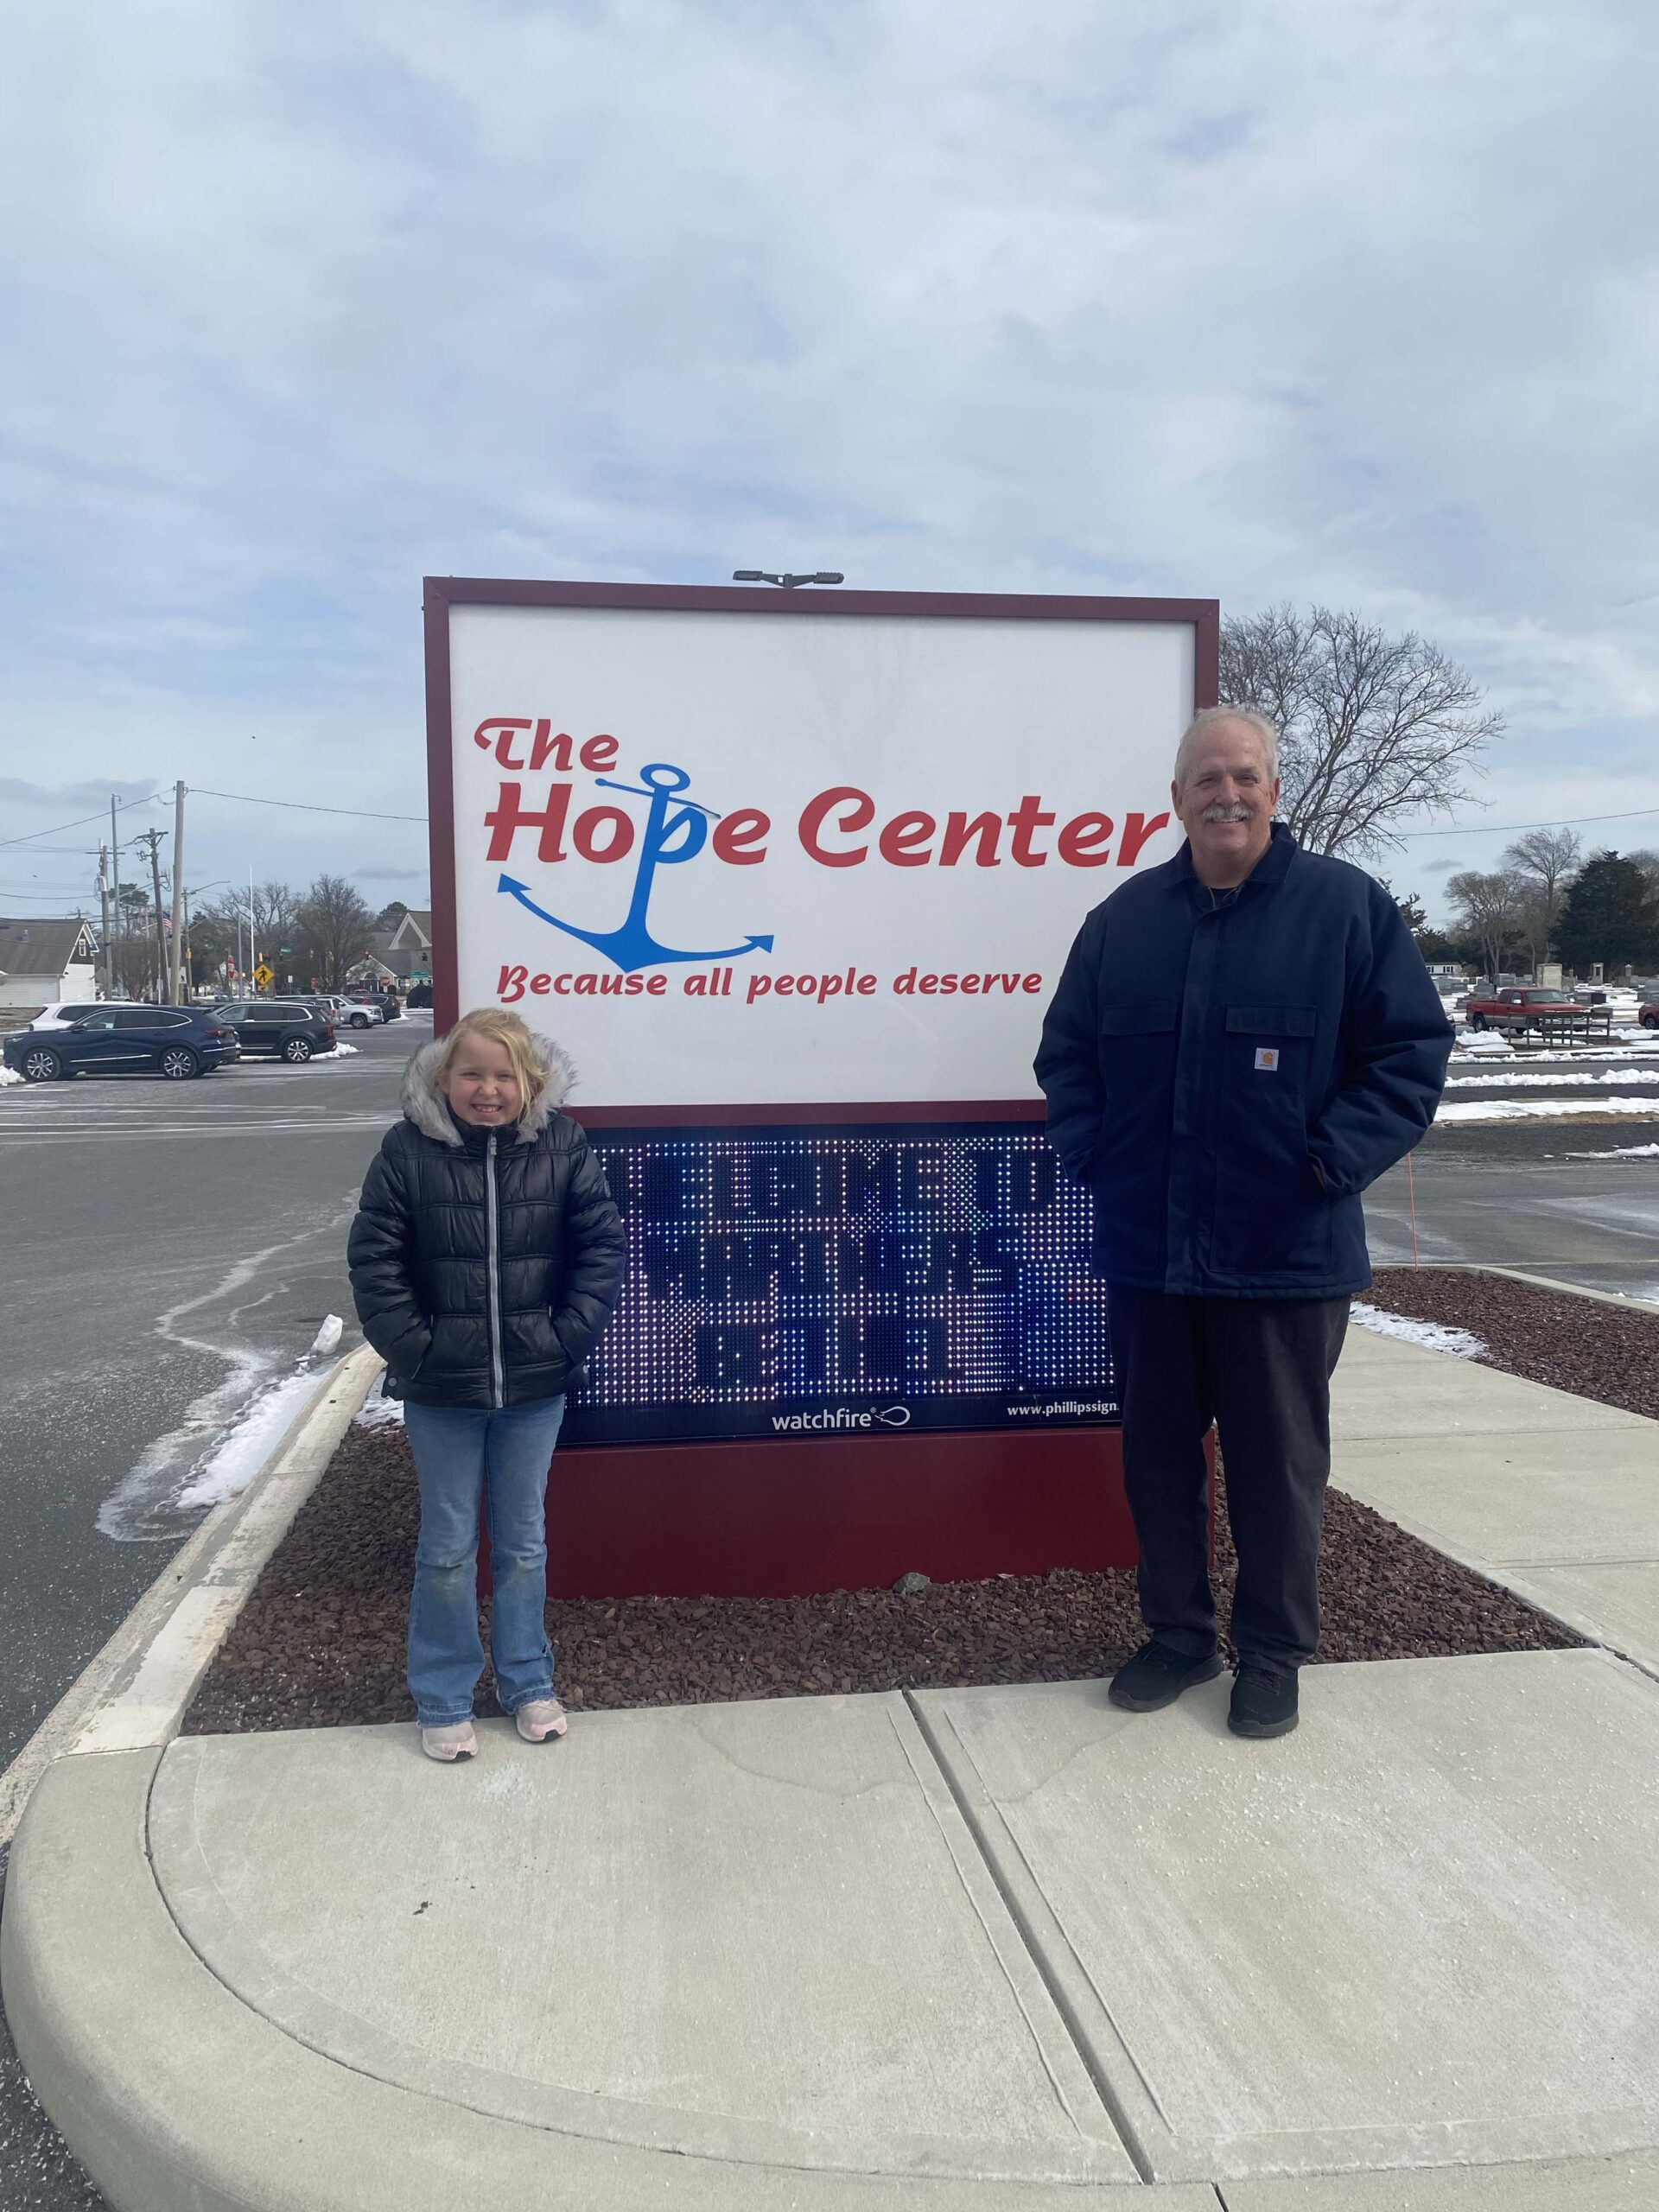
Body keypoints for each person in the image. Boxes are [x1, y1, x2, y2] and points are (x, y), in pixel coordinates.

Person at [1035, 706, 1451, 1739]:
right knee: (1159, 1463)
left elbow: (1408, 1057)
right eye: (1207, 779)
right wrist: (1101, 1161)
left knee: (1278, 1471)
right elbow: (1067, 1058)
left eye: (1245, 776)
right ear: (1177, 799)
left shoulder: (1345, 911)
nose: (1227, 794)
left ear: (1274, 789)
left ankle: (1272, 1653)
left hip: (1286, 1258)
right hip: (1151, 1257)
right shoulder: (1123, 922)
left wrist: (1326, 1162)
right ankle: (1179, 1636)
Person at [348, 1007, 626, 1763]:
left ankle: (528, 1682)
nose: (488, 1089)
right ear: (445, 1077)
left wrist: (564, 1339)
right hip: (440, 1392)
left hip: (534, 1389)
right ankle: (443, 1695)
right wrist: (417, 1350)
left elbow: (600, 1246)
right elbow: (374, 1259)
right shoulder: (407, 1150)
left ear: (529, 1082)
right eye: (472, 1073)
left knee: (523, 1544)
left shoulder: (564, 1145)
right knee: (445, 1548)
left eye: (505, 1075)